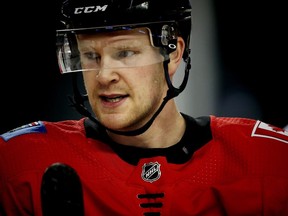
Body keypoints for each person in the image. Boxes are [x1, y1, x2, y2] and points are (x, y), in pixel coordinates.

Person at [0, 0, 288, 215]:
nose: (103, 75)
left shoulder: (266, 160)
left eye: (125, 53)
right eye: (90, 55)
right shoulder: (21, 162)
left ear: (173, 53)